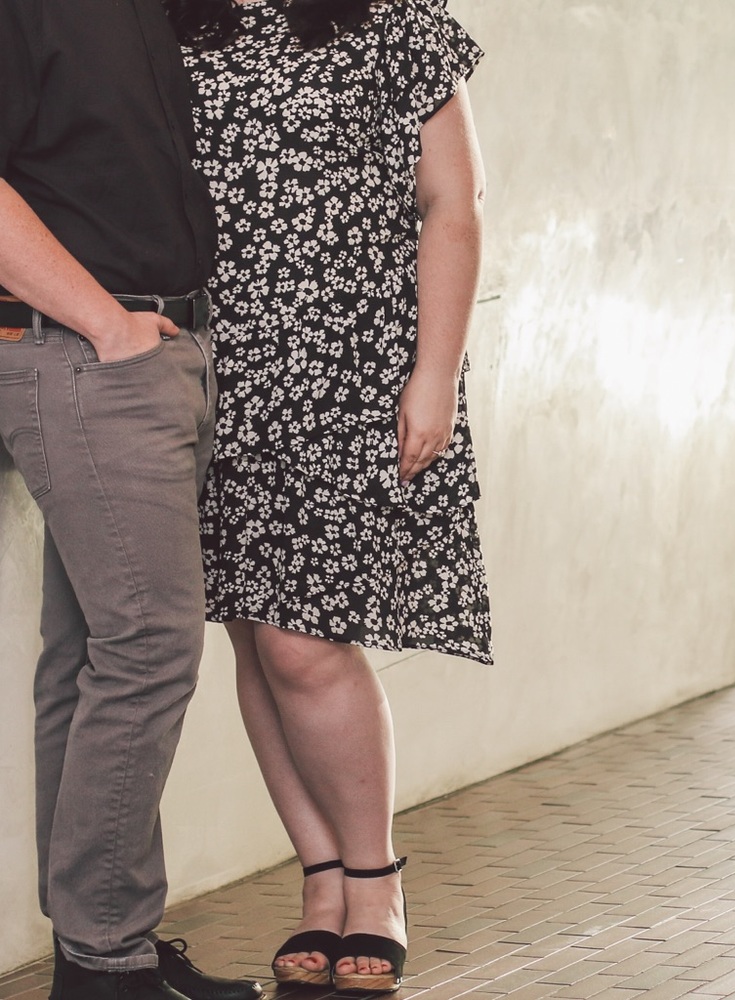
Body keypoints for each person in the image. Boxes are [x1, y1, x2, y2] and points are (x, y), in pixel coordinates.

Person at [172, 0, 492, 992]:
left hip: (346, 369)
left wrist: (435, 373)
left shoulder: (396, 20)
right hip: (212, 369)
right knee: (252, 634)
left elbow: (454, 203)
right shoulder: (178, 22)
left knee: (303, 641)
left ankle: (375, 880)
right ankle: (321, 879)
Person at [0, 3, 262, 999]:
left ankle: (100, 946)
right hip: (88, 355)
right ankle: (106, 960)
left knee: (91, 656)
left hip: (145, 351)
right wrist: (109, 328)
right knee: (148, 648)